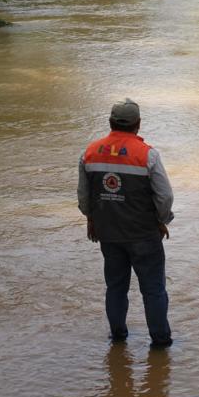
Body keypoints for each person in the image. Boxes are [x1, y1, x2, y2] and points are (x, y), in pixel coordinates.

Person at [78, 99, 175, 348]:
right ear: (138, 125)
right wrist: (161, 221)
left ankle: (118, 338)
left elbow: (83, 196)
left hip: (108, 235)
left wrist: (92, 219)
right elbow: (165, 197)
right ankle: (161, 343)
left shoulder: (90, 152)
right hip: (144, 234)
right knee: (153, 290)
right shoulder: (147, 155)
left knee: (115, 288)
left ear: (110, 123)